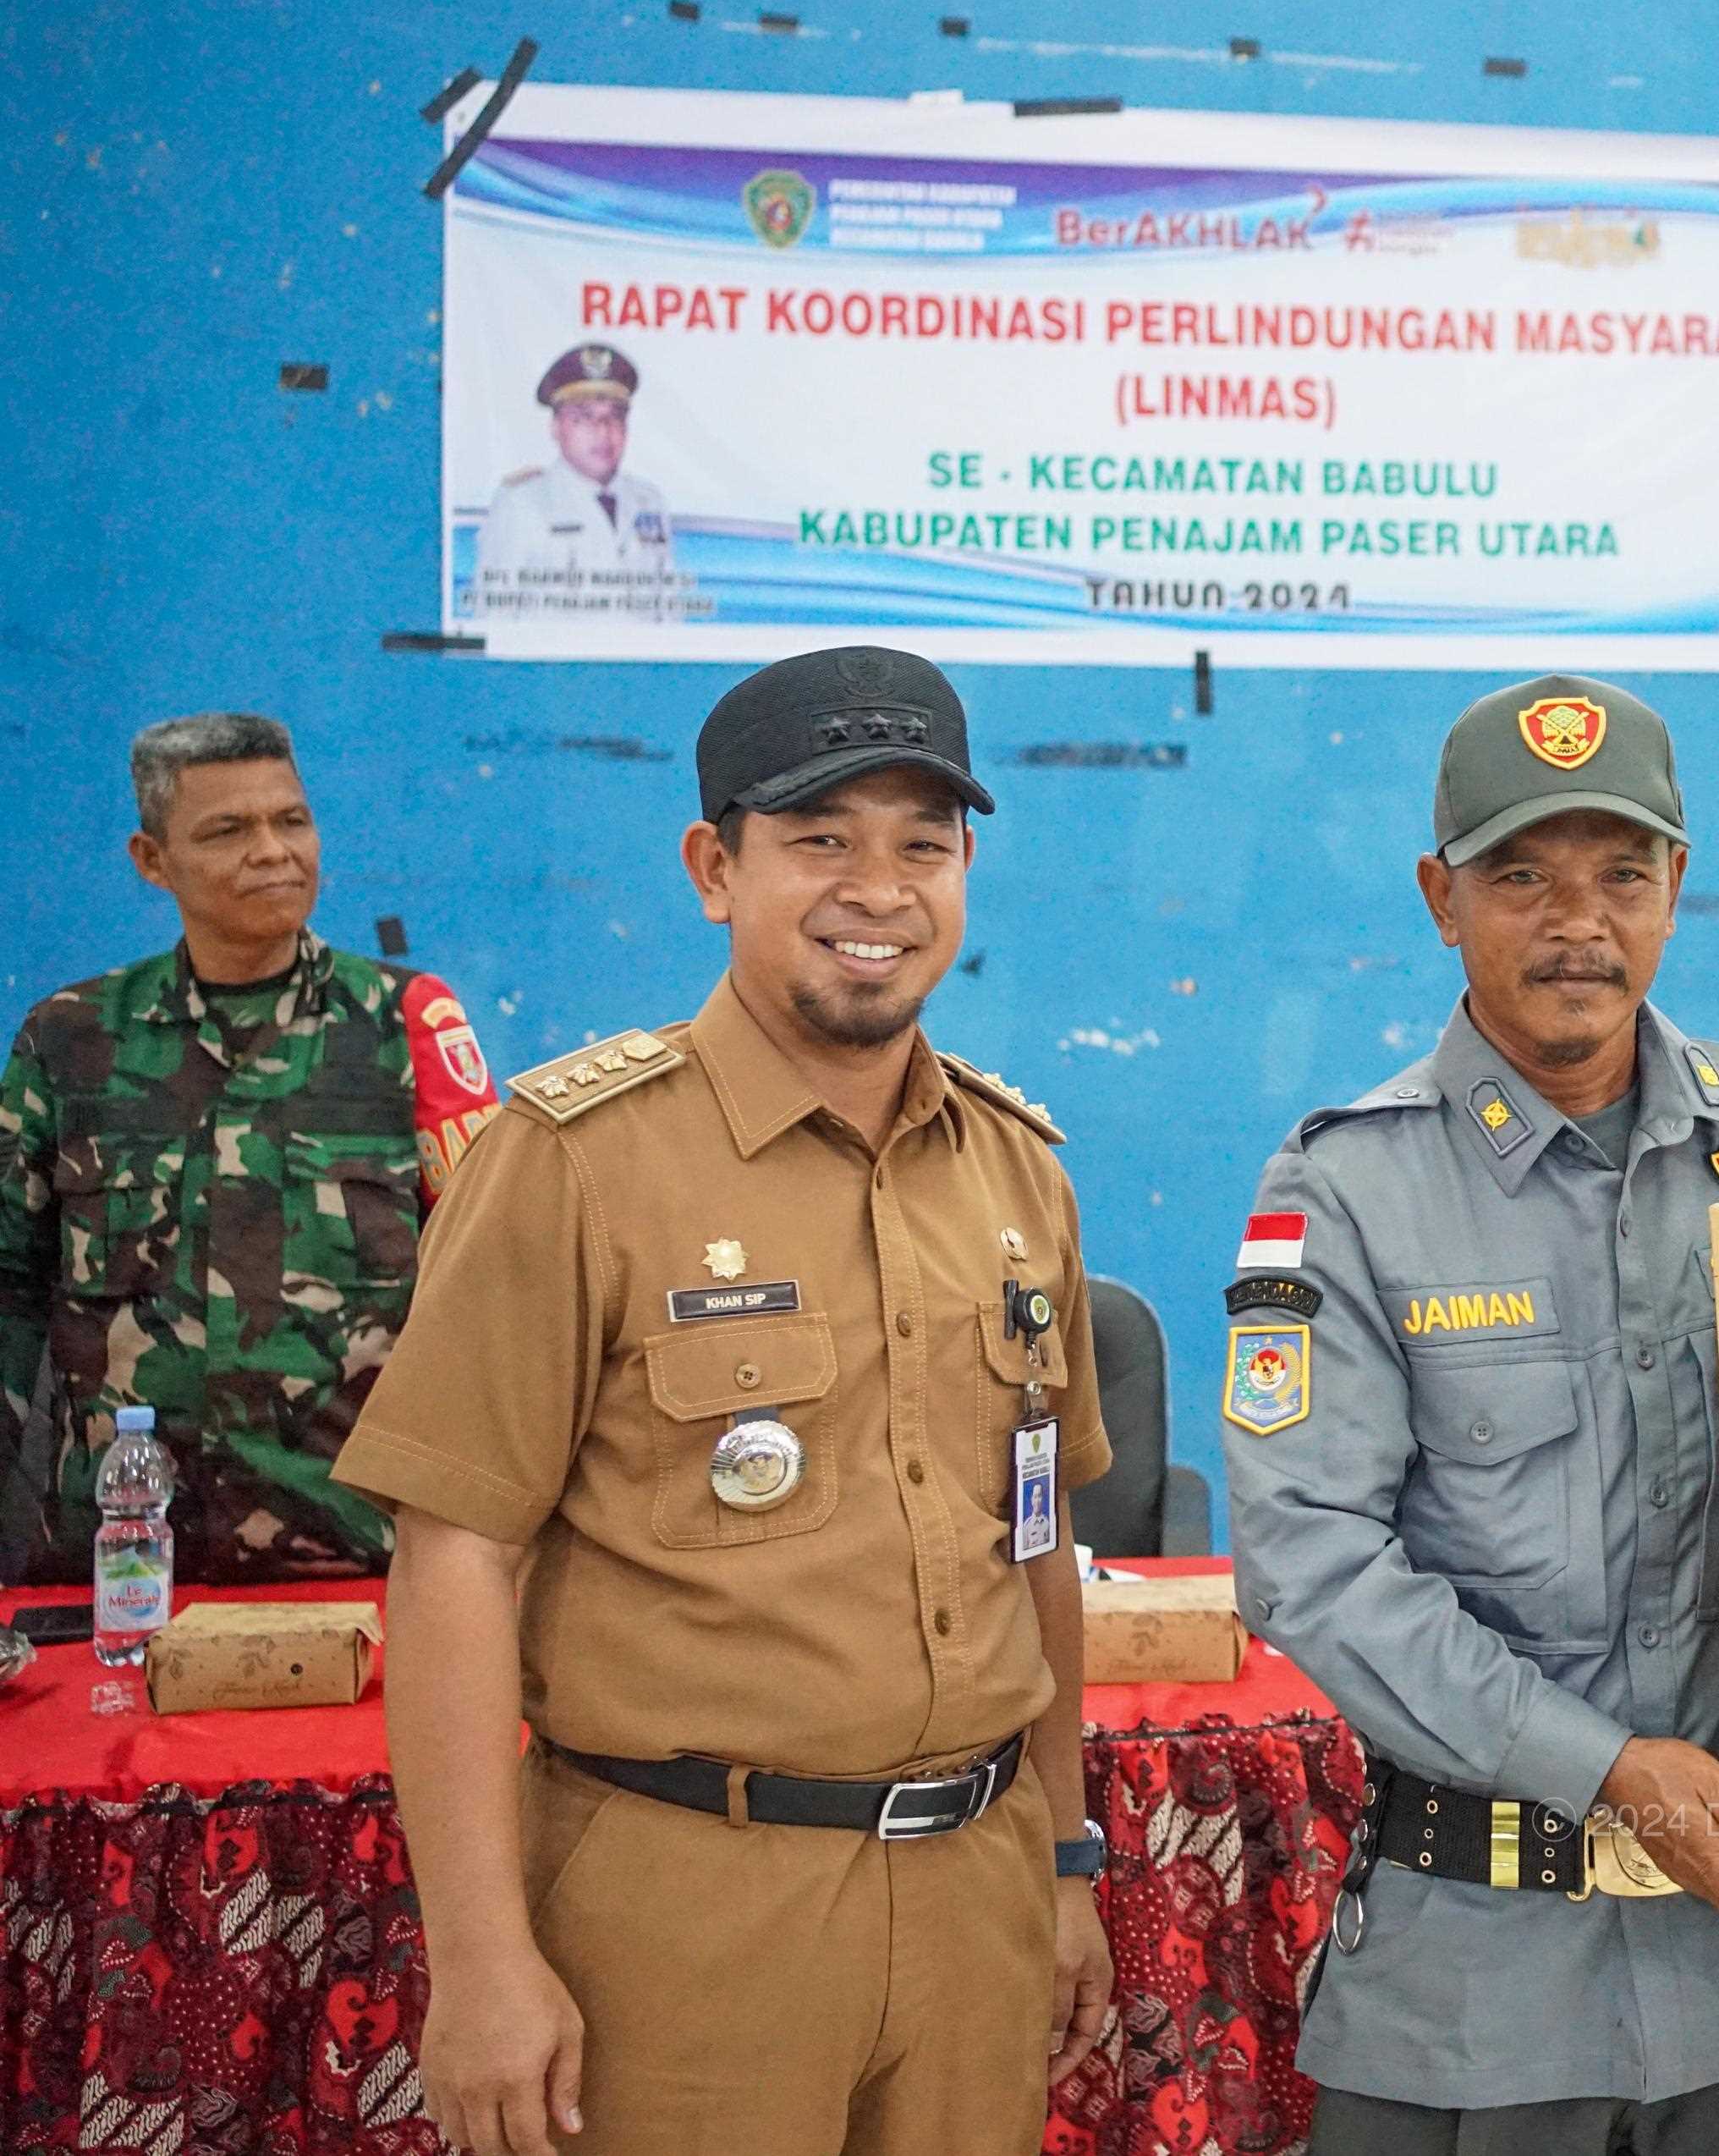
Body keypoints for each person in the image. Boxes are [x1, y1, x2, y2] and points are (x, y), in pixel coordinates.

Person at [333, 646, 1112, 2156]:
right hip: (688, 1904)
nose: (876, 886)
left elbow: (1039, 1536)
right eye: (821, 837)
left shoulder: (1020, 1170)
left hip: (977, 1894)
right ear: (714, 865)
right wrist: (482, 1958)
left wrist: (1067, 1853)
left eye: (923, 844)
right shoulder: (575, 1160)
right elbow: (453, 1562)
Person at [1224, 672, 1719, 2154]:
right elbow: (1306, 1558)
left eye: (1621, 875)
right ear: (1440, 896)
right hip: (1478, 2009)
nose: (1578, 920)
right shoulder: (1343, 1190)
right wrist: (1606, 1768)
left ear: (1675, 890)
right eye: (1522, 875)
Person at [0, 712, 499, 1584]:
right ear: (152, 860)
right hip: (124, 1566)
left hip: (357, 1553)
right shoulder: (71, 1039)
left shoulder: (403, 1023)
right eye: (228, 830)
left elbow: (498, 1288)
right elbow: (9, 1291)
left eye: (291, 820)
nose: (273, 851)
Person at [472, 342, 694, 602]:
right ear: (556, 428)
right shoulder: (521, 503)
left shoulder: (649, 501)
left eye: (614, 418)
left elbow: (667, 607)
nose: (602, 431)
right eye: (584, 418)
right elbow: (496, 612)